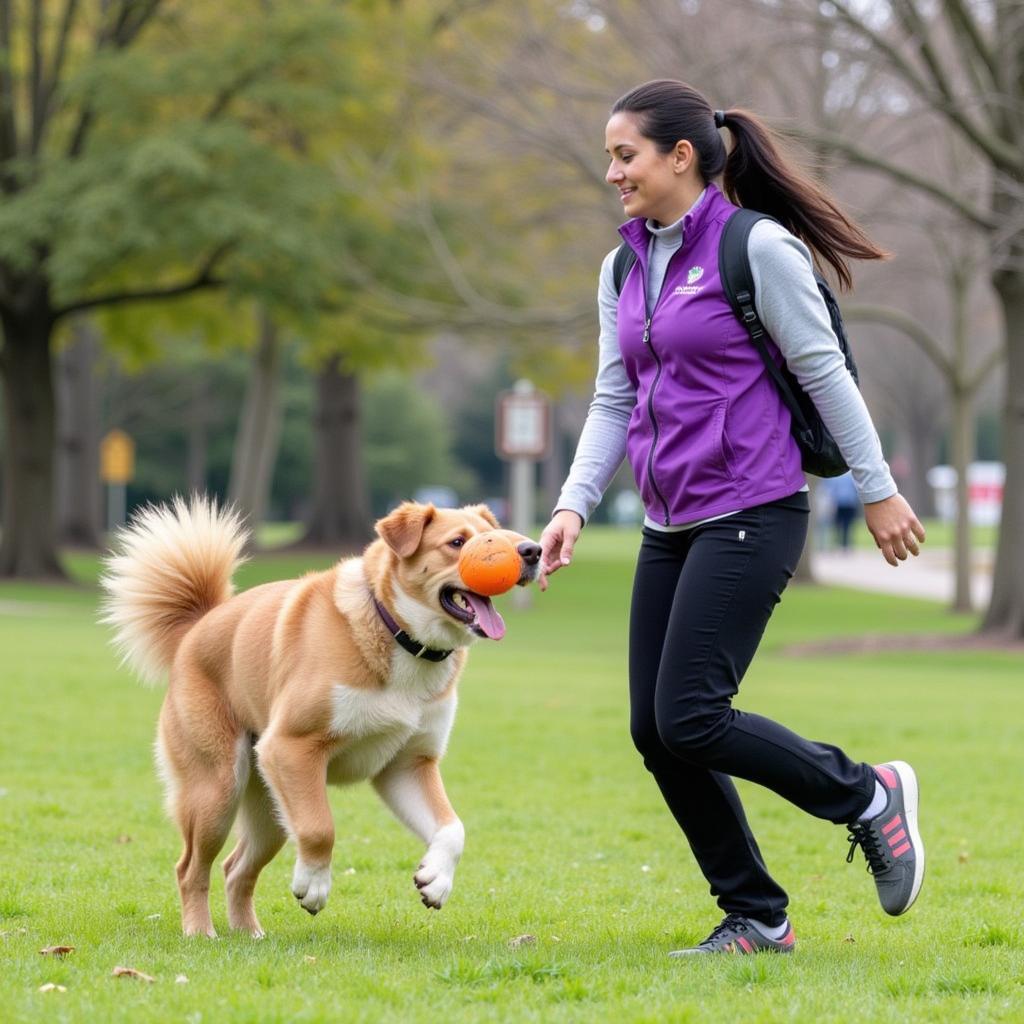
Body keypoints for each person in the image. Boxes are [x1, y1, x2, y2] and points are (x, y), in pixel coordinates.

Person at [538, 80, 927, 956]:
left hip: (756, 505)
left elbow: (827, 375)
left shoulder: (759, 249)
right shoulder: (623, 265)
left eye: (624, 155)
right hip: (670, 520)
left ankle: (868, 795)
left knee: (692, 714)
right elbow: (613, 396)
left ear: (682, 156)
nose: (611, 174)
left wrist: (877, 487)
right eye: (609, 156)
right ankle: (758, 914)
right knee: (656, 728)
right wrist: (572, 504)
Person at [823, 471, 861, 550]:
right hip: (850, 502)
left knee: (838, 524)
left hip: (839, 503)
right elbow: (856, 488)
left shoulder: (837, 474)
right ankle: (845, 544)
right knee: (847, 524)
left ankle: (840, 543)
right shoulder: (852, 474)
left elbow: (832, 489)